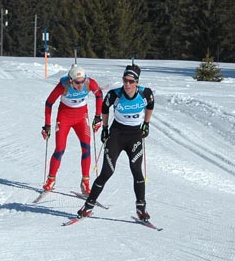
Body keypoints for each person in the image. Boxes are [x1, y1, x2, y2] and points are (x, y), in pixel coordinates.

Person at [78, 64, 155, 221]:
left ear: (137, 82)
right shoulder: (115, 94)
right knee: (107, 172)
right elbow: (105, 108)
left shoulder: (145, 93)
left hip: (135, 136)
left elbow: (151, 106)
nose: (127, 84)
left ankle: (141, 208)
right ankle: (88, 206)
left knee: (137, 171)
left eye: (131, 81)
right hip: (117, 135)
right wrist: (105, 128)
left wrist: (146, 124)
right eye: (125, 80)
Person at [41, 64, 103, 195]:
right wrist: (47, 125)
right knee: (60, 149)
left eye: (82, 81)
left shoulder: (89, 83)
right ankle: (51, 179)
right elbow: (49, 103)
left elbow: (99, 95)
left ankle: (85, 182)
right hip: (64, 117)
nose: (80, 85)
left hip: (81, 117)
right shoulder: (63, 85)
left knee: (86, 148)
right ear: (71, 80)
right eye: (77, 82)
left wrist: (98, 117)